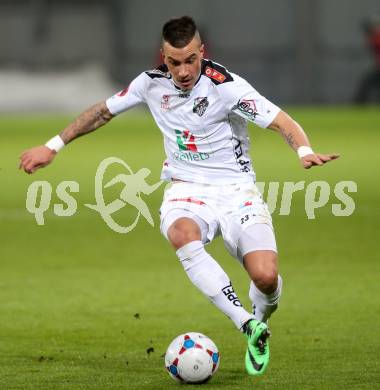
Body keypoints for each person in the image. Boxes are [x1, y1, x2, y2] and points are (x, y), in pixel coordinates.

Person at [19, 16, 339, 376]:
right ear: (163, 57)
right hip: (185, 189)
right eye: (174, 62)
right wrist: (53, 146)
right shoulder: (150, 85)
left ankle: (259, 322)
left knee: (265, 278)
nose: (183, 70)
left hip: (236, 192)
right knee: (182, 234)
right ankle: (245, 323)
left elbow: (282, 121)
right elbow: (102, 112)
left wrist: (303, 151)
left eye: (190, 60)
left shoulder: (227, 87)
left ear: (202, 52)